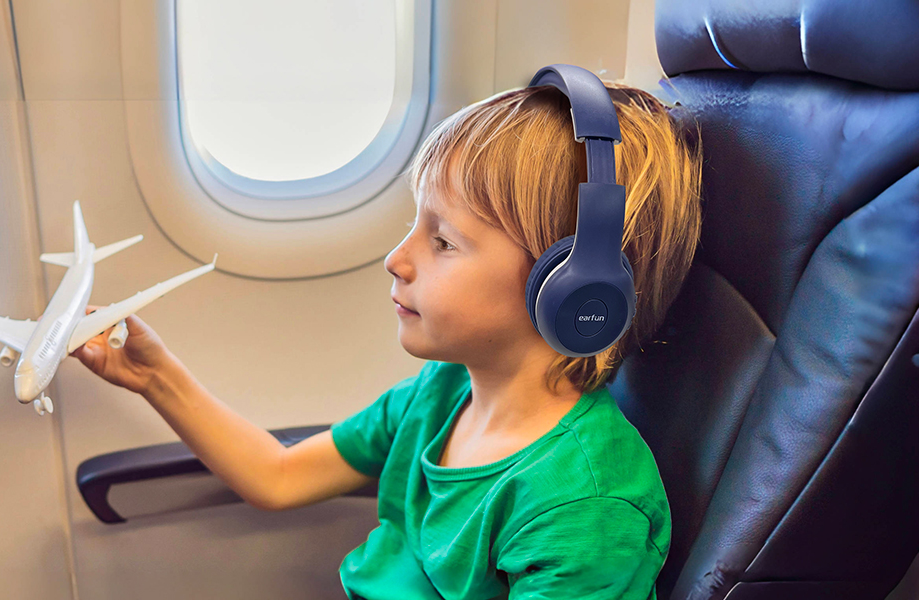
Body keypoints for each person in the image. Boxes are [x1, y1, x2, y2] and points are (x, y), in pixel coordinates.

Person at [70, 79, 702, 599]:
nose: (396, 259)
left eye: (443, 240)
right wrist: (152, 375)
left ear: (571, 287)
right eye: (413, 224)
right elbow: (278, 475)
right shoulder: (440, 393)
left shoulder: (583, 510)